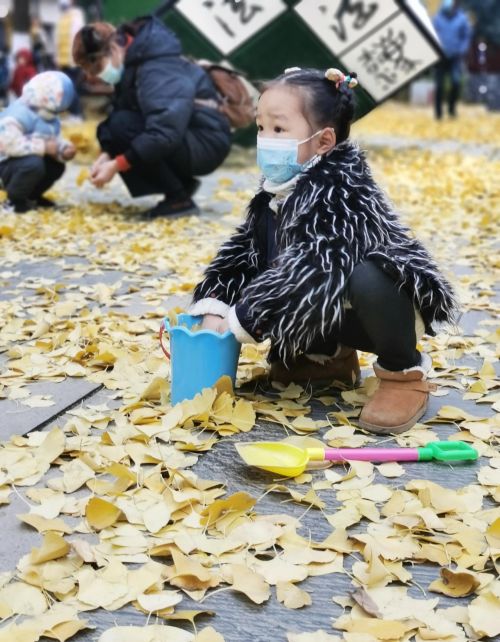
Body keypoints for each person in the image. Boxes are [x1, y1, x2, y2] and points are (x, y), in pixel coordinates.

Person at [190, 67, 457, 435]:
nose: (265, 139)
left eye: (279, 129)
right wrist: (215, 304)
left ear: (324, 141)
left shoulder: (343, 189)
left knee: (364, 274)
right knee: (272, 249)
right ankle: (325, 358)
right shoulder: (279, 189)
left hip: (387, 306)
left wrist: (242, 319)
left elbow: (315, 266)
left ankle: (403, 374)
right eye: (260, 127)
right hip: (338, 306)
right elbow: (245, 252)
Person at [72, 16, 232, 217]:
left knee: (123, 126)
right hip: (190, 134)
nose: (97, 77)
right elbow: (119, 116)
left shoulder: (156, 66)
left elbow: (164, 131)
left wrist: (116, 165)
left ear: (113, 48)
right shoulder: (133, 63)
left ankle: (179, 200)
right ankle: (180, 185)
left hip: (206, 141)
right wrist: (106, 155)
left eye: (96, 69)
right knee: (115, 126)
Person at [0, 71, 76, 213]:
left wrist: (62, 149)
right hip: (4, 163)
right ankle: (13, 201)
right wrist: (44, 147)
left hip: (22, 161)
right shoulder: (19, 114)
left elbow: (52, 139)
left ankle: (31, 197)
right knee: (33, 164)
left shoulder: (48, 118)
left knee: (56, 165)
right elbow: (10, 145)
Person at [433, 0, 472, 119]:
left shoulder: (462, 18)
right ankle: (438, 113)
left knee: (455, 83)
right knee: (439, 86)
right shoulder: (438, 18)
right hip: (440, 57)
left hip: (455, 57)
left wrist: (462, 49)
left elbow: (466, 36)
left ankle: (451, 109)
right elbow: (432, 34)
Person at [55, 0, 85, 117]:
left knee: (71, 87)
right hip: (62, 61)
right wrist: (57, 58)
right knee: (67, 87)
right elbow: (57, 41)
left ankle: (77, 114)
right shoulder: (61, 18)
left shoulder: (76, 17)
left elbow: (78, 39)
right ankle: (74, 113)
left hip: (73, 61)